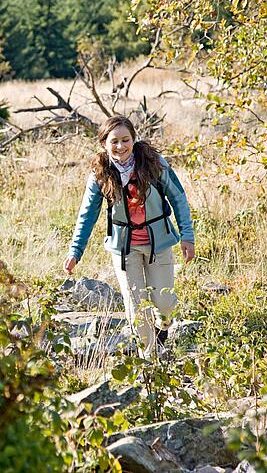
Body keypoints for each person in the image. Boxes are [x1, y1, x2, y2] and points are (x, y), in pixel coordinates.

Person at [63, 116, 195, 358]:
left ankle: (161, 330)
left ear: (134, 140)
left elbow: (179, 198)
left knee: (164, 304)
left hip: (159, 243)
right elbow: (87, 215)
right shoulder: (100, 174)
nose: (120, 146)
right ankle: (150, 359)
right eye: (114, 141)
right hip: (124, 249)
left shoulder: (154, 164)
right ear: (104, 143)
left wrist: (188, 236)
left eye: (126, 140)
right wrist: (75, 251)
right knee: (136, 308)